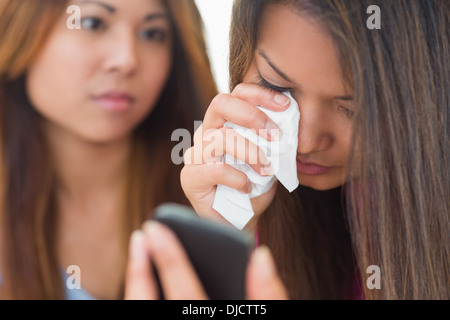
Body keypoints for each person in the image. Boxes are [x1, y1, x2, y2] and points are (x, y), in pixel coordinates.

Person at [126, 0, 449, 300]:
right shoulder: (254, 205)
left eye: (355, 109)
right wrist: (226, 237)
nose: (306, 142)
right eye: (277, 88)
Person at [0, 0, 217, 299]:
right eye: (93, 24)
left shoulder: (217, 198)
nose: (126, 60)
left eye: (152, 34)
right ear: (20, 29)